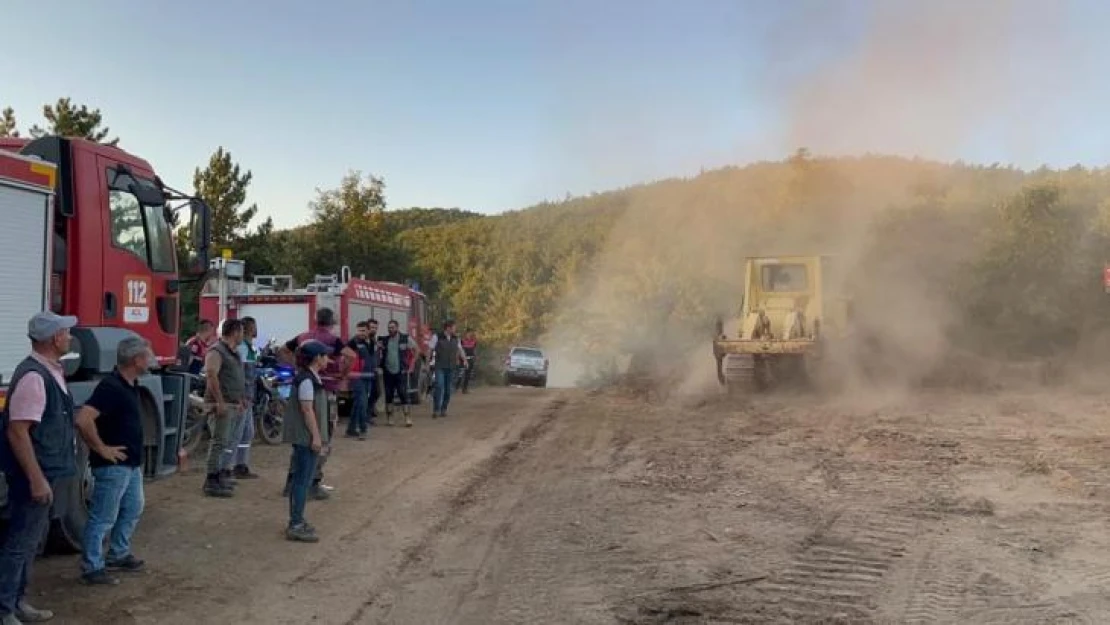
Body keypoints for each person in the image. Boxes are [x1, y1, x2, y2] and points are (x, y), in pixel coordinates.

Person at [0, 311, 79, 624]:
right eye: (66, 332)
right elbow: (18, 431)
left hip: (46, 471)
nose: (70, 336)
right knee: (20, 543)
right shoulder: (35, 377)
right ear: (55, 338)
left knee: (30, 541)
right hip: (34, 475)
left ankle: (17, 602)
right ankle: (5, 609)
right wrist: (36, 479)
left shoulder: (49, 370)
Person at [74, 336, 153, 586]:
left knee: (133, 508)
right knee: (103, 516)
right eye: (147, 355)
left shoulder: (130, 384)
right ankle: (92, 566)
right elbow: (84, 419)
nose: (150, 358)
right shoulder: (111, 387)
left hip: (129, 464)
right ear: (136, 359)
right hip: (113, 466)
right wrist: (102, 449)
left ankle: (118, 553)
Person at [281, 308, 355, 500]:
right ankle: (313, 481)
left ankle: (292, 481)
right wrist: (343, 373)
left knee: (301, 437)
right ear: (332, 321)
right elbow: (351, 356)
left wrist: (296, 366)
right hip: (326, 389)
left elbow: (282, 349)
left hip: (303, 385)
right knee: (323, 437)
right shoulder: (333, 340)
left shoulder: (303, 336)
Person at [284, 340, 332, 543]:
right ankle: (296, 523)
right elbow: (306, 409)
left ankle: (297, 520)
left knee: (301, 480)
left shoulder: (309, 377)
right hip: (305, 437)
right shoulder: (306, 380)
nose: (328, 358)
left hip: (305, 436)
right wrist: (316, 436)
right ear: (317, 358)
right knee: (302, 481)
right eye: (325, 355)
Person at [202, 319, 246, 498]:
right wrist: (219, 402)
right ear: (235, 332)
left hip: (232, 403)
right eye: (242, 331)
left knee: (224, 441)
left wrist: (240, 400)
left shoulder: (232, 352)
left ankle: (219, 475)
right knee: (219, 442)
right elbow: (212, 375)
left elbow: (234, 377)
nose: (243, 335)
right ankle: (211, 480)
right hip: (222, 404)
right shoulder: (216, 351)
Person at [226, 316, 260, 480]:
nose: (256, 329)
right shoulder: (243, 349)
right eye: (253, 326)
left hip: (248, 396)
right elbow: (241, 374)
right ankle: (229, 467)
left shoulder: (248, 347)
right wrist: (242, 395)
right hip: (243, 397)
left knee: (247, 432)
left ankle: (241, 464)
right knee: (238, 432)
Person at [427, 320, 468, 419]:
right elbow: (430, 349)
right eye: (454, 327)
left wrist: (465, 360)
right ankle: (436, 409)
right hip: (440, 366)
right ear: (448, 328)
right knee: (439, 386)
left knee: (448, 390)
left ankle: (444, 408)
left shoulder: (455, 338)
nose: (455, 329)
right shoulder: (437, 337)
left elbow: (460, 349)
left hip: (451, 367)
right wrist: (427, 363)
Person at [378, 319, 415, 427]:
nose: (390, 329)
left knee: (403, 394)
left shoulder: (405, 338)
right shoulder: (384, 340)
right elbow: (376, 349)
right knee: (388, 395)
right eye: (389, 327)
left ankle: (407, 418)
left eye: (392, 327)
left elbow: (416, 350)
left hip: (401, 372)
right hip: (388, 372)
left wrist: (411, 365)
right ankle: (390, 418)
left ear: (397, 328)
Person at [345, 321, 377, 440]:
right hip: (356, 377)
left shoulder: (372, 342)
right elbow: (346, 355)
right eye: (358, 330)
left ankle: (351, 429)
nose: (360, 333)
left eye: (363, 331)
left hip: (368, 377)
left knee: (358, 404)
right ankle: (363, 429)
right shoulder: (353, 342)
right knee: (363, 403)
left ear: (368, 331)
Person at [365, 319, 382, 425]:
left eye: (375, 328)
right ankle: (366, 417)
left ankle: (369, 412)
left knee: (376, 392)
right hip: (366, 372)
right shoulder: (364, 340)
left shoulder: (374, 340)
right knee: (368, 394)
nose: (374, 329)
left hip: (374, 371)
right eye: (372, 327)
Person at [458, 329, 478, 394]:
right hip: (463, 359)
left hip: (470, 359)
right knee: (460, 373)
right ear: (465, 334)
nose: (469, 335)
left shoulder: (474, 341)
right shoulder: (462, 341)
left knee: (468, 374)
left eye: (470, 333)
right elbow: (459, 350)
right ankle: (456, 387)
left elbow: (474, 349)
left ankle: (465, 389)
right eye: (468, 333)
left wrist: (475, 356)